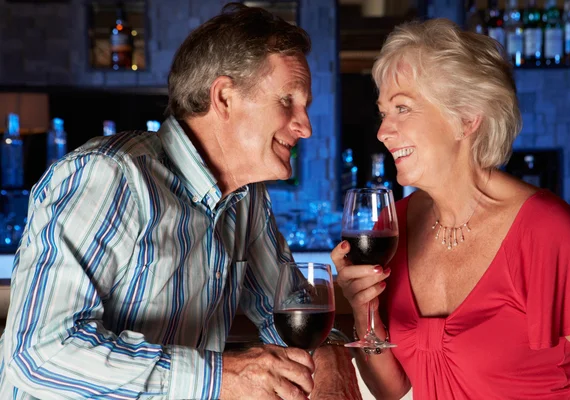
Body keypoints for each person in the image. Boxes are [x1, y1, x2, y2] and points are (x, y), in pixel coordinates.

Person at [0, 4, 359, 399]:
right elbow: (38, 355)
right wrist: (222, 377)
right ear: (224, 97)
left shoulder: (245, 198)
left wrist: (330, 355)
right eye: (287, 101)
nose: (305, 127)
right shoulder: (109, 176)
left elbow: (293, 315)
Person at [332, 18, 570, 400]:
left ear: (467, 119)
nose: (382, 131)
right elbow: (391, 390)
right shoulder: (397, 226)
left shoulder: (546, 233)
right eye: (383, 112)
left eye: (402, 108)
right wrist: (364, 309)